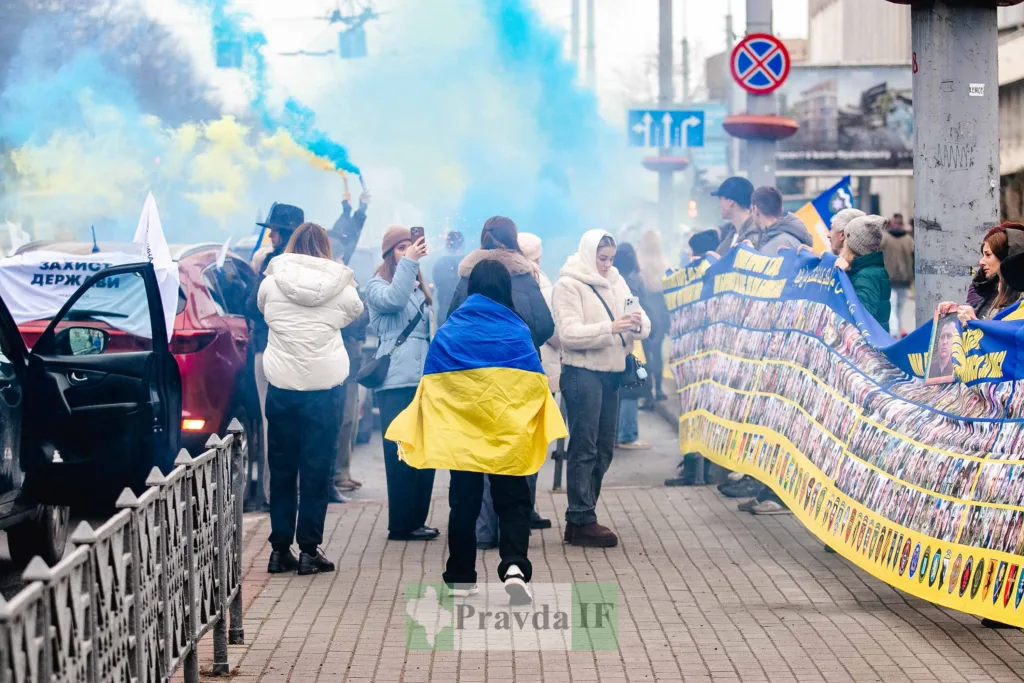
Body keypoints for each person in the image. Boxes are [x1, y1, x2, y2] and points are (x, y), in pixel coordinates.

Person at [385, 259, 566, 603]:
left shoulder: (452, 330)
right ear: (505, 288)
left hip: (463, 434)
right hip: (507, 434)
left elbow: (433, 382)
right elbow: (535, 383)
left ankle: (461, 576)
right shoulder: (517, 331)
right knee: (513, 500)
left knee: (464, 503)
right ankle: (514, 566)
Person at [258, 222, 364, 575]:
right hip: (324, 388)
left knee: (283, 469)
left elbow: (263, 310)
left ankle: (278, 549)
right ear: (325, 248)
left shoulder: (271, 281)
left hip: (282, 386)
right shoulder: (341, 285)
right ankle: (308, 550)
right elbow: (355, 313)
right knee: (317, 471)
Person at [447, 217, 555, 538]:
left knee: (478, 450)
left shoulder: (467, 275)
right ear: (514, 240)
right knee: (517, 448)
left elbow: (451, 321)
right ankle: (515, 526)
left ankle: (482, 530)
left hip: (474, 378)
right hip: (519, 376)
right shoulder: (525, 274)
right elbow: (545, 325)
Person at [553, 230, 651, 547]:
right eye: (602, 258)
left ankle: (582, 515)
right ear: (587, 254)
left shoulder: (617, 280)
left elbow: (644, 322)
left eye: (610, 258)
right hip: (582, 373)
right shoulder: (568, 284)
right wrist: (610, 328)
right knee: (584, 446)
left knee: (604, 448)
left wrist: (637, 323)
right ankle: (581, 517)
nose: (607, 265)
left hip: (612, 372)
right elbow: (568, 334)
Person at [364, 226, 439, 542]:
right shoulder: (376, 285)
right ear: (388, 253)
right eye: (400, 248)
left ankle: (416, 521)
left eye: (412, 247)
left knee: (426, 452)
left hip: (424, 380)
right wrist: (410, 262)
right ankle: (400, 524)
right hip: (395, 381)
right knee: (400, 454)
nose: (409, 252)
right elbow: (394, 301)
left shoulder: (421, 289)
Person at [245, 203, 305, 512]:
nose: (270, 234)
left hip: (269, 351)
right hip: (301, 353)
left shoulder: (272, 264)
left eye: (275, 229)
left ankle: (272, 493)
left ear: (286, 233)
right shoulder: (313, 266)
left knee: (273, 425)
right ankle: (292, 489)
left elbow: (251, 306)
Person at [938, 223, 1024, 324]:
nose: (981, 262)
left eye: (988, 255)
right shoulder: (982, 288)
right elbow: (978, 317)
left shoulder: (1019, 300)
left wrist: (974, 322)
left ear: (1006, 256)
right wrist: (955, 311)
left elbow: (1006, 336)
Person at [612, 243, 651, 450]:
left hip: (614, 341)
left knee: (619, 389)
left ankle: (616, 434)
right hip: (631, 343)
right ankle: (627, 435)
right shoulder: (633, 282)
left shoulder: (613, 281)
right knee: (630, 388)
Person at [837, 215, 892, 329]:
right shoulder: (864, 270)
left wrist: (840, 276)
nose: (843, 244)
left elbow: (861, 314)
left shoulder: (868, 275)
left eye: (846, 240)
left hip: (867, 346)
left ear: (853, 245)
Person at [637, 231, 671, 405]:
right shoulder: (664, 262)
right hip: (662, 311)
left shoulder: (641, 263)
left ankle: (648, 393)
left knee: (646, 354)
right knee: (657, 353)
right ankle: (658, 388)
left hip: (648, 310)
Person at [749, 186, 813, 254]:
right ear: (781, 208)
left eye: (751, 210)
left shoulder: (774, 248)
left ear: (755, 209)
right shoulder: (791, 237)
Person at [881, 213, 915, 336]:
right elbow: (914, 259)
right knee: (899, 309)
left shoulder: (885, 239)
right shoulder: (908, 240)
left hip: (889, 279)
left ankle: (894, 333)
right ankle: (897, 333)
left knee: (893, 308)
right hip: (905, 279)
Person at [713, 176, 756, 254]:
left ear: (730, 201)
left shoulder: (754, 237)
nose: (719, 205)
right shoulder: (733, 233)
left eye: (720, 199)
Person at [432, 230, 465, 327]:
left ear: (447, 245)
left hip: (444, 314)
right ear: (462, 244)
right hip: (465, 314)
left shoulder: (439, 264)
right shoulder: (469, 264)